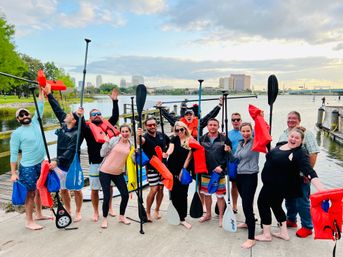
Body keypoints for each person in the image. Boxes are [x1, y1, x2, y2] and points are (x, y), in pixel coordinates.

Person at [256, 128, 325, 242]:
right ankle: (284, 233)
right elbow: (272, 150)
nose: (293, 139)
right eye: (292, 136)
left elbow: (309, 171)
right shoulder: (282, 145)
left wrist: (321, 189)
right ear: (288, 136)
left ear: (301, 141)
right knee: (276, 206)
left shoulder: (300, 153)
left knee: (262, 204)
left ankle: (266, 234)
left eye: (297, 138)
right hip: (271, 184)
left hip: (275, 186)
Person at [43, 85, 84, 222]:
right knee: (63, 190)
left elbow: (70, 150)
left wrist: (56, 161)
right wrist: (49, 94)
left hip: (72, 164)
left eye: (69, 115)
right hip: (60, 165)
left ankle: (78, 212)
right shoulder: (64, 124)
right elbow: (57, 109)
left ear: (73, 120)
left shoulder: (77, 134)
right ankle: (68, 209)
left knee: (76, 189)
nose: (65, 115)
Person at [10, 87, 49, 230]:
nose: (25, 116)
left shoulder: (36, 123)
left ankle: (39, 214)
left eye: (26, 113)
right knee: (30, 193)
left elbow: (40, 105)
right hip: (27, 167)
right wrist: (14, 173)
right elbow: (14, 155)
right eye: (21, 115)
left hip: (40, 162)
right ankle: (29, 221)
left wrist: (40, 90)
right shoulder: (17, 133)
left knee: (39, 189)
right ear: (18, 119)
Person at [278, 111, 320, 238]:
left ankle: (307, 226)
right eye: (289, 118)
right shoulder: (284, 133)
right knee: (289, 198)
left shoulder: (307, 134)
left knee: (302, 201)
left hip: (301, 175)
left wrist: (306, 174)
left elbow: (313, 153)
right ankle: (291, 219)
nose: (291, 120)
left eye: (294, 118)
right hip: (286, 175)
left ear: (299, 120)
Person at [81, 88, 119, 222]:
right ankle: (96, 212)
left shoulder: (106, 125)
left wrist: (115, 102)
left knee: (109, 187)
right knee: (95, 189)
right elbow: (78, 122)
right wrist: (78, 115)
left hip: (108, 161)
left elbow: (115, 117)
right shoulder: (86, 128)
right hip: (94, 163)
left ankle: (110, 208)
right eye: (93, 114)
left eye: (99, 114)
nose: (97, 115)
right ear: (90, 118)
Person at [231, 122, 259, 249]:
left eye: (248, 131)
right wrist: (228, 151)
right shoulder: (241, 143)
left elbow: (264, 134)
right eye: (243, 131)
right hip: (240, 176)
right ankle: (248, 222)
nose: (246, 133)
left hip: (250, 176)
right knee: (245, 201)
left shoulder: (255, 142)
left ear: (252, 131)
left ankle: (251, 238)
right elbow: (236, 157)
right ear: (240, 132)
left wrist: (260, 118)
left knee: (247, 205)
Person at [199, 118, 231, 227]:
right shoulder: (201, 139)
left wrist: (222, 167)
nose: (212, 127)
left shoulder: (224, 138)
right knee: (207, 194)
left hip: (220, 172)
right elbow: (200, 155)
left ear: (218, 126)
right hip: (206, 171)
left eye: (215, 125)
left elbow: (228, 156)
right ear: (207, 126)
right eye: (210, 125)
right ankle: (208, 214)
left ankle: (221, 216)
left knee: (220, 196)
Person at [99, 124, 132, 228]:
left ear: (130, 132)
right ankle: (104, 219)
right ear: (120, 132)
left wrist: (137, 153)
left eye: (127, 131)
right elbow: (102, 153)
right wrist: (106, 142)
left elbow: (133, 160)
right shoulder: (114, 140)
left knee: (125, 195)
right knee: (107, 196)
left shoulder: (131, 145)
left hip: (118, 173)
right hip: (105, 171)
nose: (125, 133)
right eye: (123, 131)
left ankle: (121, 216)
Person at [137, 117, 170, 221]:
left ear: (156, 125)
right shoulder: (145, 137)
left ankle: (157, 209)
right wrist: (138, 135)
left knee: (161, 189)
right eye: (149, 125)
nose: (152, 126)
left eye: (154, 124)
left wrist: (167, 153)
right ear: (146, 126)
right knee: (154, 189)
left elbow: (170, 144)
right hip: (151, 168)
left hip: (163, 167)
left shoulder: (162, 135)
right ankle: (147, 212)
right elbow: (139, 142)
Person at [163, 121, 193, 229]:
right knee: (174, 195)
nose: (179, 132)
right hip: (172, 171)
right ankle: (176, 215)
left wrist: (183, 170)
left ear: (185, 129)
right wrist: (167, 154)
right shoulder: (174, 139)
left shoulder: (190, 140)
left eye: (181, 129)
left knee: (183, 195)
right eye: (177, 130)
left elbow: (189, 157)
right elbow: (170, 149)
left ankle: (182, 218)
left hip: (183, 170)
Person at [157, 98, 223, 138]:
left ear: (193, 116)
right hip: (183, 147)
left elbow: (210, 115)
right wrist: (160, 108)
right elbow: (169, 117)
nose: (189, 116)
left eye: (190, 114)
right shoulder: (179, 123)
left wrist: (219, 105)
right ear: (184, 116)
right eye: (187, 115)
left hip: (195, 146)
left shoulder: (200, 123)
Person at [227, 112, 243, 213]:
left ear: (241, 120)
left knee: (245, 185)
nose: (236, 121)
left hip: (245, 163)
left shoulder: (248, 131)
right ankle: (234, 205)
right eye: (233, 120)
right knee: (234, 185)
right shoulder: (228, 134)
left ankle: (246, 203)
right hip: (233, 162)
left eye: (238, 119)